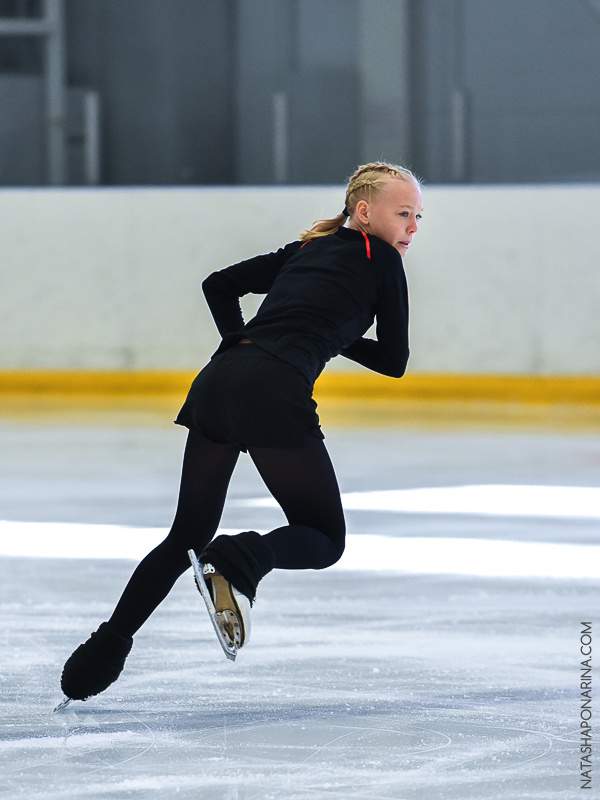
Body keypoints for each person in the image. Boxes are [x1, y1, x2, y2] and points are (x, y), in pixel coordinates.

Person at [59, 161, 423, 702]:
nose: (412, 227)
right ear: (365, 212)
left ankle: (100, 656)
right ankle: (241, 558)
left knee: (185, 536)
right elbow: (394, 360)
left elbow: (219, 285)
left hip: (220, 377)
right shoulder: (383, 260)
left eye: (418, 217)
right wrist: (328, 333)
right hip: (274, 389)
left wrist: (244, 340)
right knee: (325, 539)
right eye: (403, 214)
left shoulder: (304, 251)